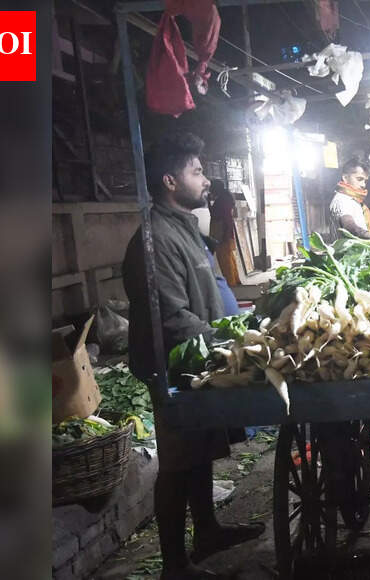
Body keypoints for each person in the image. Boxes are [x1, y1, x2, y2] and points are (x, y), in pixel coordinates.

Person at [123, 132, 263, 579]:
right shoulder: (153, 240)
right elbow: (172, 316)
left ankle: (207, 530)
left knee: (200, 451)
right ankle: (174, 564)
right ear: (169, 180)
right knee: (179, 460)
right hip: (173, 366)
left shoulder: (184, 228)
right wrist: (228, 343)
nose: (206, 180)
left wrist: (236, 327)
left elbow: (205, 294)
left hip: (198, 359)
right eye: (196, 171)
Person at [329, 158, 370, 240]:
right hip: (349, 252)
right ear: (345, 178)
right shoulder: (342, 199)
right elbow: (349, 225)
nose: (363, 185)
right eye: (359, 179)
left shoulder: (354, 199)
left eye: (365, 181)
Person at [207, 180, 240, 286]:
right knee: (229, 258)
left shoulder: (222, 200)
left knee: (225, 261)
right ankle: (235, 281)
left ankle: (231, 284)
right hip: (225, 233)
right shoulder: (225, 198)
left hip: (222, 234)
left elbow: (220, 216)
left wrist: (225, 236)